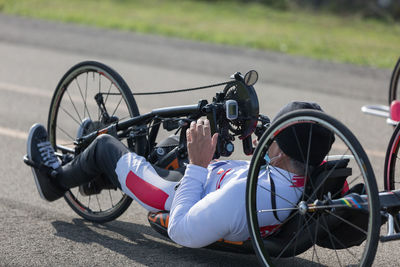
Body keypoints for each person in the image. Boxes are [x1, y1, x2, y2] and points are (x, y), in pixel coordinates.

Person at [26, 101, 334, 248]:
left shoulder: (245, 194)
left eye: (272, 138)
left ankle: (56, 180)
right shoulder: (292, 178)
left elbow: (182, 231)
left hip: (172, 195)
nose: (265, 140)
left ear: (279, 152)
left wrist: (199, 165)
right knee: (171, 145)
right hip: (204, 184)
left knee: (105, 147)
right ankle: (94, 174)